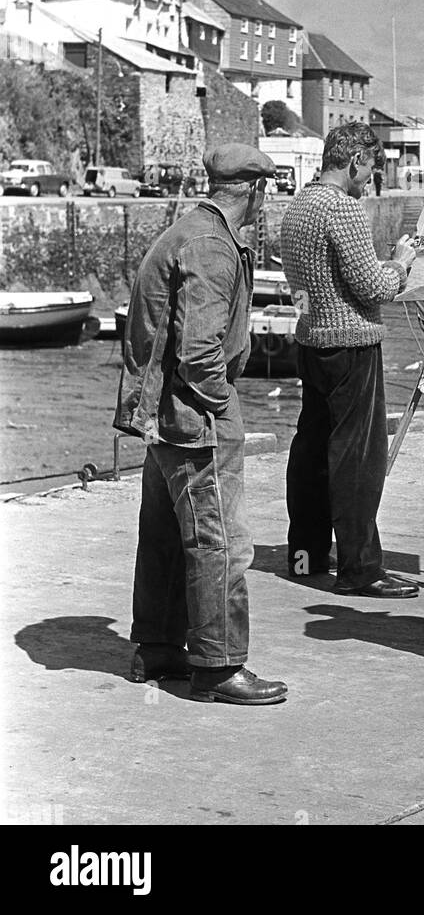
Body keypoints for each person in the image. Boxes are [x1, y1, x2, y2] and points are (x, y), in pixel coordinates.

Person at [115, 144, 288, 706]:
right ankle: (218, 664)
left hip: (161, 418)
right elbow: (198, 354)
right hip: (193, 420)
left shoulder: (185, 231)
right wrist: (225, 408)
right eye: (266, 194)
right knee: (221, 543)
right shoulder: (213, 247)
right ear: (254, 192)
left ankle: (159, 646)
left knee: (165, 536)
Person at [281, 123, 418, 597]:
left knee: (313, 451)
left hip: (312, 342)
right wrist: (400, 262)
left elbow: (311, 282)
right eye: (370, 169)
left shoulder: (298, 204)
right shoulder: (342, 208)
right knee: (358, 458)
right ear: (356, 159)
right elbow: (373, 288)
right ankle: (361, 569)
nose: (369, 180)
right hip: (350, 344)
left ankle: (305, 557)